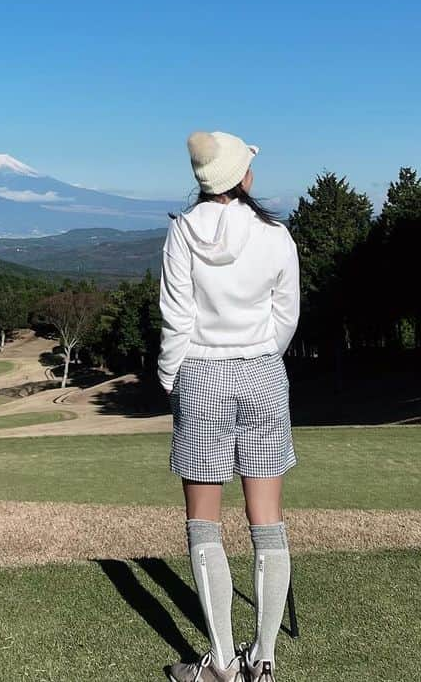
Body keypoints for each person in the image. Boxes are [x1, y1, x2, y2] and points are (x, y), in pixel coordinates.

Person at [159, 131, 300, 682]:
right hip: (264, 374)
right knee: (267, 523)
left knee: (203, 524)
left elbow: (177, 319)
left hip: (201, 376)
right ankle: (262, 663)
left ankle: (219, 664)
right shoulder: (277, 235)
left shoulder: (181, 234)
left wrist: (172, 378)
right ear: (242, 175)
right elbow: (285, 316)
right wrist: (264, 358)